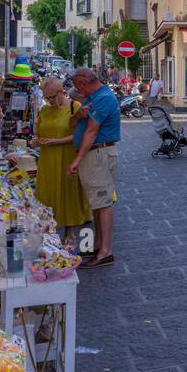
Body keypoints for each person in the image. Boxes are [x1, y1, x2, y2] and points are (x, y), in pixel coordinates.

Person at [67, 68, 121, 268]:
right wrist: (79, 115)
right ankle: (97, 244)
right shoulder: (92, 97)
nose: (76, 90)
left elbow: (91, 132)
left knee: (103, 202)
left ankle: (105, 251)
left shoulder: (104, 98)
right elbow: (74, 125)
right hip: (94, 155)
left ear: (83, 82)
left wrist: (76, 160)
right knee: (97, 203)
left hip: (99, 154)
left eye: (76, 86)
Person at [30, 77, 91, 251]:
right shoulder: (45, 110)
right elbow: (39, 132)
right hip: (47, 159)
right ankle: (50, 229)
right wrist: (36, 141)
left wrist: (56, 141)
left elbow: (80, 135)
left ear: (60, 92)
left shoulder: (74, 108)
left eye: (50, 97)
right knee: (48, 192)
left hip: (66, 156)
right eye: (46, 97)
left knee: (67, 192)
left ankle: (69, 232)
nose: (48, 101)